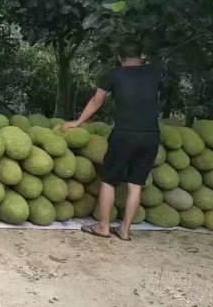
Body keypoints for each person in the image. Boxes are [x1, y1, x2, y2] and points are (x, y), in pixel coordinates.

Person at [61, 40, 163, 241]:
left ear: (119, 58)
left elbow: (97, 101)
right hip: (151, 135)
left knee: (109, 180)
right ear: (141, 56)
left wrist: (79, 122)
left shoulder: (114, 74)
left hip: (124, 134)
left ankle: (103, 227)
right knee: (136, 184)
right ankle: (125, 230)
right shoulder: (155, 73)